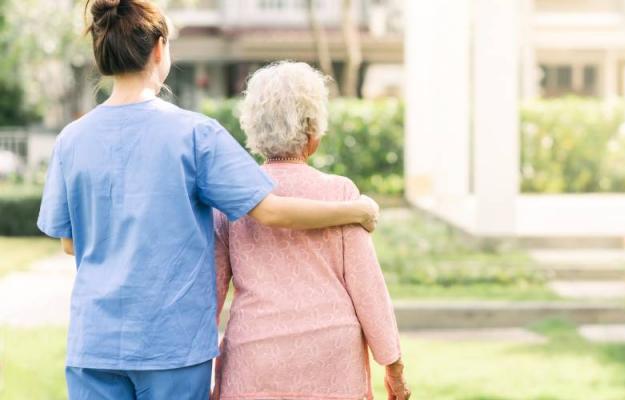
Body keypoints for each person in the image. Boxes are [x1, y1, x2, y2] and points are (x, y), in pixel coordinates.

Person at [36, 1, 379, 399]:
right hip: (173, 347)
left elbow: (69, 243)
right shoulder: (195, 135)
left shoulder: (71, 140)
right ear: (160, 48)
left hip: (93, 344)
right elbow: (271, 210)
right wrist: (355, 210)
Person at [212, 62, 410, 400]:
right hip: (333, 358)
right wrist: (393, 366)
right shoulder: (342, 194)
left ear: (254, 128)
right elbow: (368, 289)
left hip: (256, 356)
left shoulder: (232, 200)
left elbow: (210, 293)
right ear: (313, 130)